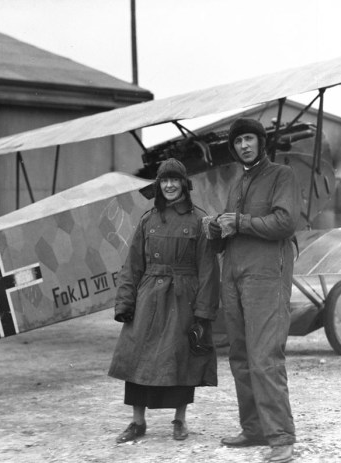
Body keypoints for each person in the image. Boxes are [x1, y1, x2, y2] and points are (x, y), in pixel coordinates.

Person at [204, 118, 301, 463]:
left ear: (261, 142)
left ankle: (281, 438)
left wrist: (239, 222)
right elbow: (229, 235)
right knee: (241, 357)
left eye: (249, 139)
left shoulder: (281, 176)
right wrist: (216, 228)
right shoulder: (237, 183)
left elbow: (286, 222)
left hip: (265, 279)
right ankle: (254, 429)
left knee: (264, 357)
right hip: (233, 277)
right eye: (238, 141)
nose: (244, 145)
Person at [108, 158, 220, 444]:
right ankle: (137, 422)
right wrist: (125, 302)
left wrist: (204, 310)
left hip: (183, 297)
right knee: (137, 356)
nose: (170, 185)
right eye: (164, 180)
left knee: (181, 358)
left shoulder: (198, 220)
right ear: (159, 185)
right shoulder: (148, 220)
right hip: (148, 296)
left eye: (175, 179)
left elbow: (208, 269)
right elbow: (132, 264)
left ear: (184, 183)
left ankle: (180, 420)